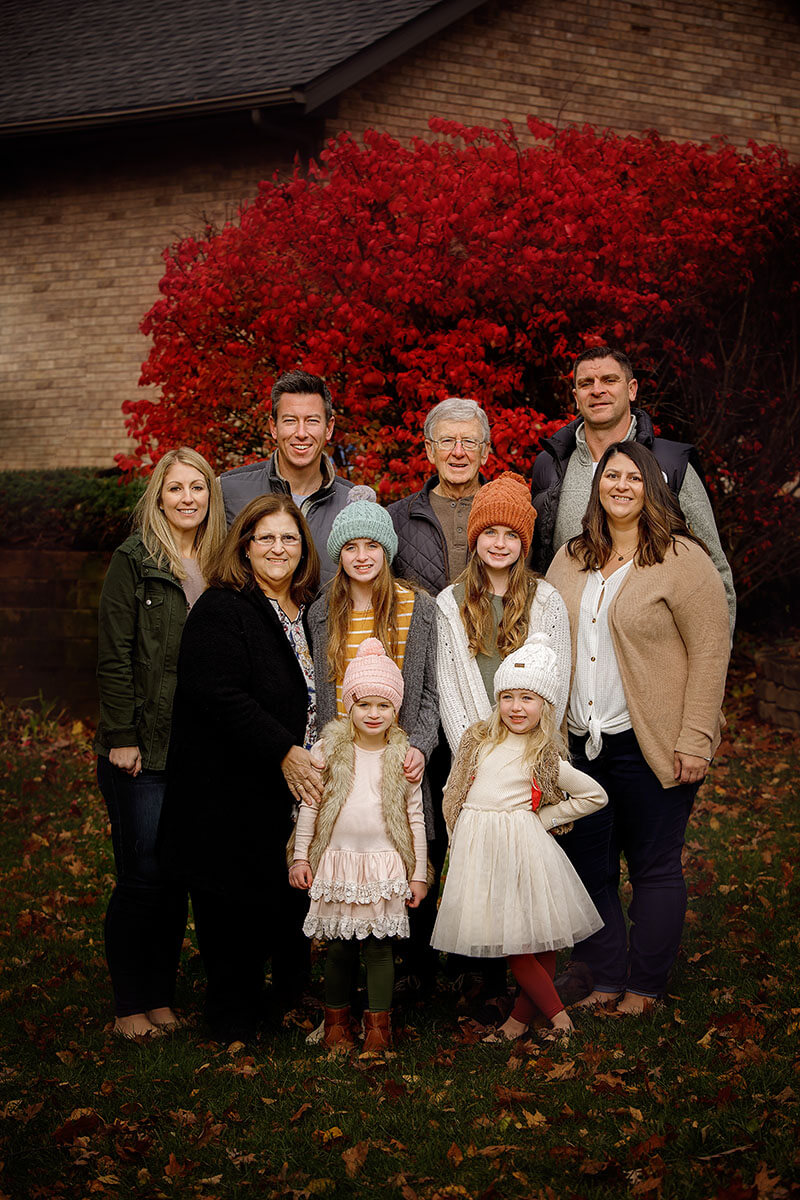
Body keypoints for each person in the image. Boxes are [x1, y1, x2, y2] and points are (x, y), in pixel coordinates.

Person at [546, 441, 730, 1014]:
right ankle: (604, 979)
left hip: (653, 742)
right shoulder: (570, 558)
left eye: (633, 477)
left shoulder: (682, 558)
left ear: (651, 487)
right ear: (596, 486)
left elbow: (711, 652)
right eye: (611, 476)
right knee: (590, 866)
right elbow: (546, 643)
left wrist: (696, 737)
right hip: (581, 743)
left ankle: (644, 988)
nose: (620, 486)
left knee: (654, 867)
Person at [161, 494, 322, 1043]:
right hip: (228, 788)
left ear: (304, 550)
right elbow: (217, 693)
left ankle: (285, 1003)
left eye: (289, 538)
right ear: (245, 546)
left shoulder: (309, 610)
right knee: (232, 904)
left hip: (292, 787)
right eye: (265, 538)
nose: (278, 548)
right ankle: (232, 1018)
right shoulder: (223, 608)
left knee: (284, 895)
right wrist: (283, 749)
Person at [95, 447, 226, 1039]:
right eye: (176, 488)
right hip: (143, 745)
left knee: (175, 877)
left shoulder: (221, 559)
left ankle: (161, 999)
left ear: (210, 495)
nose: (187, 498)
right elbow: (114, 654)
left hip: (198, 750)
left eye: (197, 487)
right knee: (142, 875)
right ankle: (130, 1005)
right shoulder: (135, 559)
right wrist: (122, 735)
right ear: (159, 496)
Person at [431, 637, 607, 1042]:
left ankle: (559, 1020)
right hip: (482, 853)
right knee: (524, 940)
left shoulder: (543, 754)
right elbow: (455, 790)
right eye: (507, 696)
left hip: (522, 850)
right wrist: (458, 836)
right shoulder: (479, 741)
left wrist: (545, 817)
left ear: (544, 705)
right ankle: (517, 1022)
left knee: (527, 942)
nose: (515, 707)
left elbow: (595, 795)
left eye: (527, 698)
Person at [530, 346, 736, 630]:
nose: (597, 390)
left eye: (609, 380)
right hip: (571, 643)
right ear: (576, 397)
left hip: (651, 644)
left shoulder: (670, 463)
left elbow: (714, 570)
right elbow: (538, 565)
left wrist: (716, 651)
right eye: (586, 383)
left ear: (631, 389)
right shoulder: (550, 465)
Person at [289, 639, 429, 1051]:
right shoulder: (329, 750)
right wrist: (300, 857)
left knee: (379, 948)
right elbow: (311, 805)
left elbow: (415, 817)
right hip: (339, 863)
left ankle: (378, 1029)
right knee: (339, 949)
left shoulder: (403, 757)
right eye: (363, 704)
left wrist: (418, 874)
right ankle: (336, 1024)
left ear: (395, 710)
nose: (373, 713)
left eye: (383, 705)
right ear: (348, 706)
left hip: (384, 866)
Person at [307, 486, 439, 840]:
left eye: (372, 546)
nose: (362, 556)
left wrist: (420, 746)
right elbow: (320, 692)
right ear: (339, 554)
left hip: (396, 758)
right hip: (341, 760)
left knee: (400, 852)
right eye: (351, 547)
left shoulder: (418, 608)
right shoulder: (322, 614)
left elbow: (430, 692)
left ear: (387, 550)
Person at [437, 471, 571, 755]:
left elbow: (555, 688)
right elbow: (449, 692)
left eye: (511, 535)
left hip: (533, 755)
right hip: (473, 756)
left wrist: (533, 752)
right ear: (475, 537)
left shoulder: (547, 601)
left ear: (523, 543)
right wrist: (473, 757)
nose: (499, 543)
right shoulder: (449, 604)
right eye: (490, 532)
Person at [219, 368, 354, 583]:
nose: (301, 433)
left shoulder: (352, 503)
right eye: (290, 420)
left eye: (312, 421)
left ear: (328, 428)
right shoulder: (228, 492)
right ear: (274, 427)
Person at [389, 396, 491, 596]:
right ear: (430, 450)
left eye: (469, 442)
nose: (458, 452)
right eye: (447, 441)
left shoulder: (508, 514)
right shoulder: (396, 518)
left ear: (485, 451)